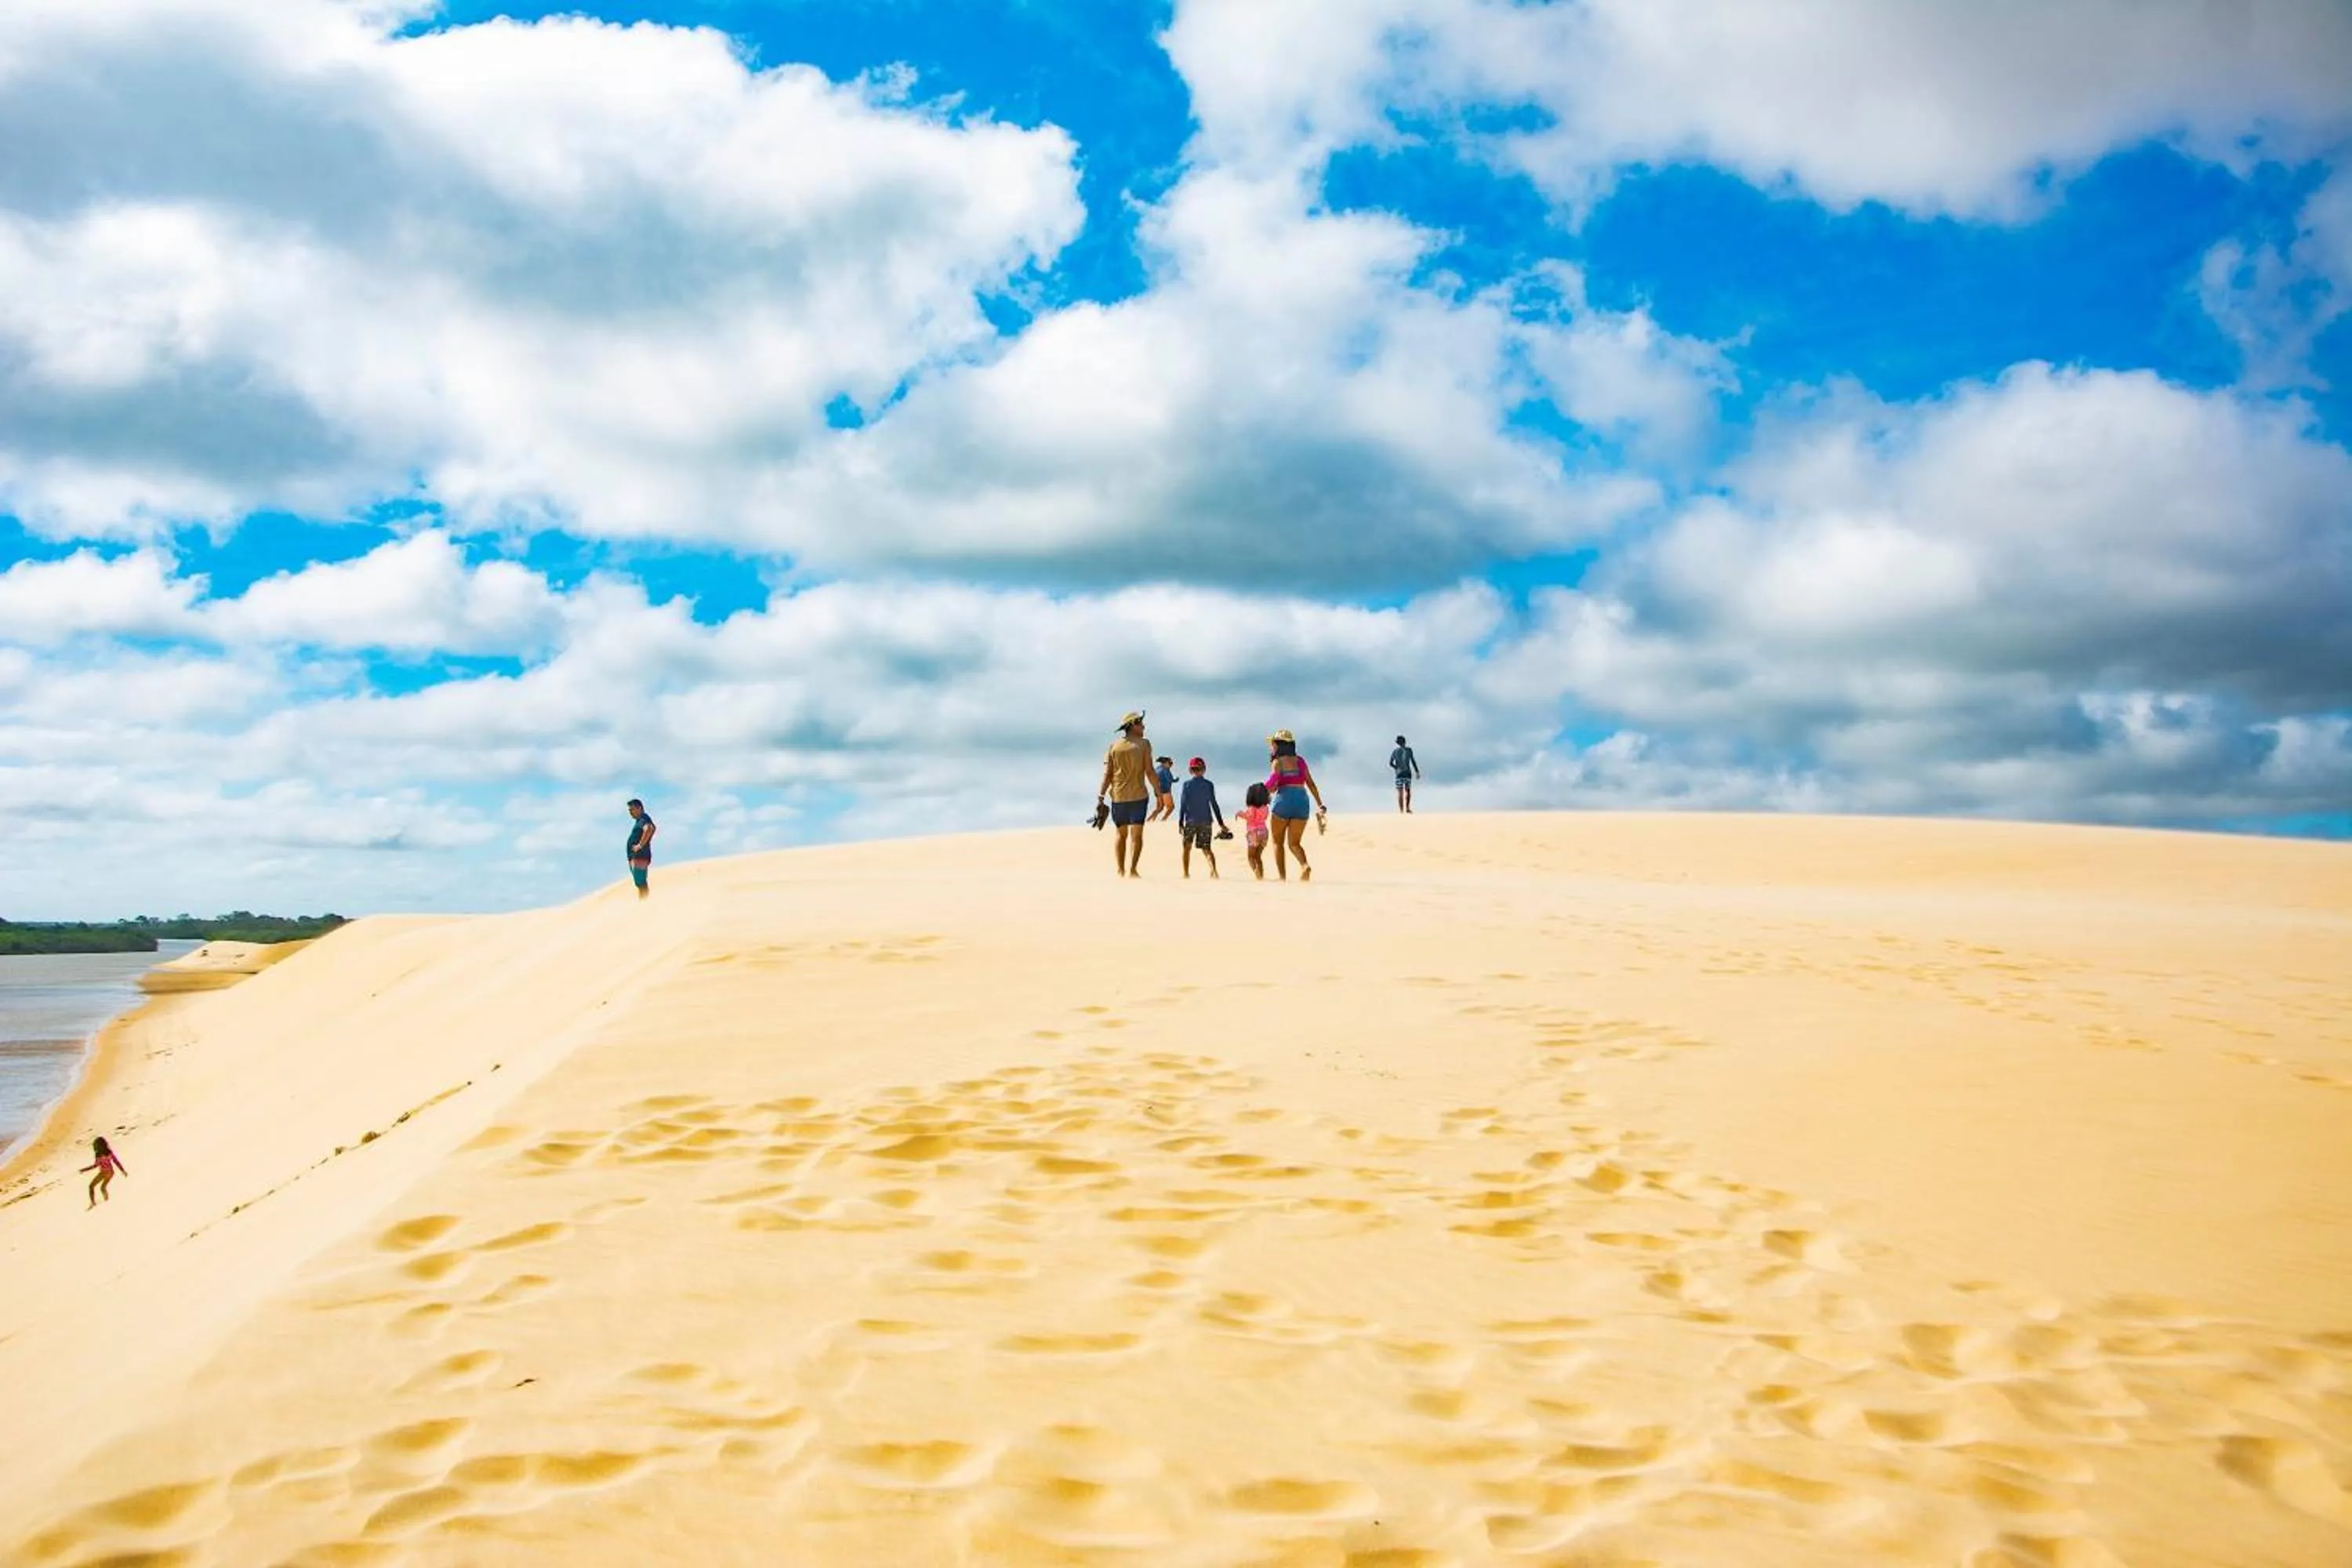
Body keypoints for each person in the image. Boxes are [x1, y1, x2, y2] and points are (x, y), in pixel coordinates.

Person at [1096, 711, 1170, 878]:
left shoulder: (1113, 747)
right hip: (1138, 797)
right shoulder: (1144, 744)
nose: (1144, 726)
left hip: (1118, 797)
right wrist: (1159, 794)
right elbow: (1150, 771)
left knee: (1120, 834)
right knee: (1137, 835)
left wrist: (1101, 795)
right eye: (1141, 723)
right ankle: (1133, 870)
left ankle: (1120, 871)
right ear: (1133, 725)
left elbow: (1107, 774)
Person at [1263, 730, 1327, 882]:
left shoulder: (1277, 762)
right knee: (1294, 843)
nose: (1271, 747)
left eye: (1273, 744)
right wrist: (1320, 804)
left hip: (1283, 801)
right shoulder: (1300, 761)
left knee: (1278, 842)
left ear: (1279, 745)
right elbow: (1311, 783)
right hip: (1302, 801)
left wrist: (1262, 791)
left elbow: (1273, 782)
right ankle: (1304, 865)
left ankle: (1282, 877)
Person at [1176, 757, 1227, 880]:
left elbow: (1183, 804)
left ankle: (1186, 873)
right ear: (1204, 769)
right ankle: (1214, 871)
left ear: (1190, 770)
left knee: (1187, 848)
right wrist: (1221, 823)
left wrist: (1180, 822)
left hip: (1190, 821)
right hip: (1206, 821)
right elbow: (1214, 805)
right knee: (1207, 849)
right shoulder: (1209, 785)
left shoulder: (1187, 785)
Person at [1239, 782, 1272, 880]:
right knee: (1258, 856)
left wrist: (1240, 814)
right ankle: (1261, 876)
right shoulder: (1265, 807)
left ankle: (1256, 872)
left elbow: (1249, 817)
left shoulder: (1252, 808)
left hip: (1254, 833)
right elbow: (1265, 817)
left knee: (1250, 857)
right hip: (1264, 832)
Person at [82, 1136, 127, 1207]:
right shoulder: (109, 1152)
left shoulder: (98, 1155)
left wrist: (84, 1170)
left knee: (91, 1186)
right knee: (103, 1187)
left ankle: (93, 1203)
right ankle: (107, 1200)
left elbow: (95, 1165)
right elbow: (116, 1161)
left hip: (104, 1173)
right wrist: (123, 1170)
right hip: (111, 1172)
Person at [626, 797, 656, 898]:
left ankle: (645, 904)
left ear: (640, 808)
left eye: (632, 810)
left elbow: (650, 828)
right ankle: (643, 903)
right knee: (639, 883)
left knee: (641, 882)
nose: (630, 813)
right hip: (636, 856)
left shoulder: (644, 819)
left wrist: (640, 845)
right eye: (629, 811)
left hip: (640, 855)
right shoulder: (640, 820)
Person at [1390, 735, 1421, 813]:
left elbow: (1390, 763)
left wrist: (1396, 768)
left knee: (1400, 792)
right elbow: (1413, 761)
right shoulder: (1409, 750)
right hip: (1407, 773)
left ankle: (1401, 811)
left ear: (1398, 743)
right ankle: (1407, 808)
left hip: (1399, 774)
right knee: (1408, 791)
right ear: (1405, 742)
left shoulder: (1395, 751)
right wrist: (1417, 771)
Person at [1151, 757, 1178, 822]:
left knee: (1159, 808)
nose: (1171, 765)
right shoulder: (1166, 770)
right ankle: (1163, 820)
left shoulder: (1157, 769)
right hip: (1165, 790)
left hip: (1157, 790)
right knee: (1171, 807)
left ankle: (1149, 821)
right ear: (1165, 763)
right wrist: (1175, 780)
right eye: (1170, 763)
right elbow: (1169, 779)